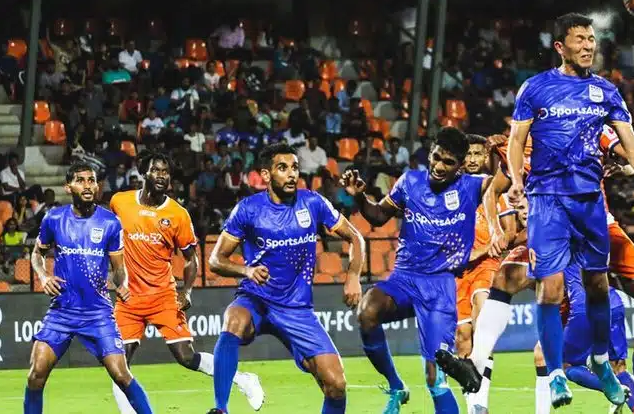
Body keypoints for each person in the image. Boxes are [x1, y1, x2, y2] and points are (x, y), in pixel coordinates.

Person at [437, 13, 634, 409]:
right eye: (580, 39)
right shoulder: (533, 100)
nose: (589, 45)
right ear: (560, 46)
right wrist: (515, 187)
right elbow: (504, 169)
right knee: (520, 283)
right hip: (551, 215)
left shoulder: (602, 100)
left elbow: (630, 149)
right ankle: (483, 370)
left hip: (593, 216)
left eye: (592, 39)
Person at [340, 127, 493, 414]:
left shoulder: (472, 186)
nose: (439, 166)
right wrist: (360, 198)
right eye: (436, 157)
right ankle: (396, 385)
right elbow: (378, 216)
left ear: (460, 166)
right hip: (405, 278)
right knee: (367, 312)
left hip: (440, 287)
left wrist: (506, 147)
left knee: (435, 378)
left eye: (448, 162)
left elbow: (508, 180)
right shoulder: (409, 181)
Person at [206, 143, 366, 414]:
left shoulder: (312, 202)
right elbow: (215, 260)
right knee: (234, 319)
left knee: (336, 385)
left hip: (296, 308)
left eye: (294, 167)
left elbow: (355, 237)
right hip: (256, 298)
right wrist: (246, 271)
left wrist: (353, 276)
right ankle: (220, 409)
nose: (291, 174)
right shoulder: (248, 209)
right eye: (282, 168)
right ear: (266, 175)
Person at [109, 150, 264, 413]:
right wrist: (115, 279)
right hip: (129, 299)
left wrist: (188, 290)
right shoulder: (120, 202)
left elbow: (191, 259)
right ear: (144, 173)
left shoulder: (177, 214)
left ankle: (242, 379)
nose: (161, 176)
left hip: (163, 296)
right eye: (156, 170)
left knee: (186, 356)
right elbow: (109, 240)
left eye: (165, 172)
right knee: (118, 366)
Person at [24, 162, 154, 414]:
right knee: (35, 375)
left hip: (97, 313)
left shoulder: (110, 222)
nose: (87, 185)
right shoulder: (54, 219)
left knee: (122, 375)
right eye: (80, 180)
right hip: (62, 312)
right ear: (68, 187)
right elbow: (37, 254)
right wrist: (43, 276)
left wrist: (122, 284)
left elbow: (119, 267)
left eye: (91, 180)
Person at [455, 134, 516, 414]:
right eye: (467, 154)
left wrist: (498, 241)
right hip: (457, 270)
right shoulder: (450, 190)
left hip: (486, 265)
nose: (472, 159)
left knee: (482, 319)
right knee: (462, 337)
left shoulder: (495, 188)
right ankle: (473, 405)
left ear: (485, 157)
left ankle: (481, 401)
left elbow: (510, 231)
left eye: (477, 154)